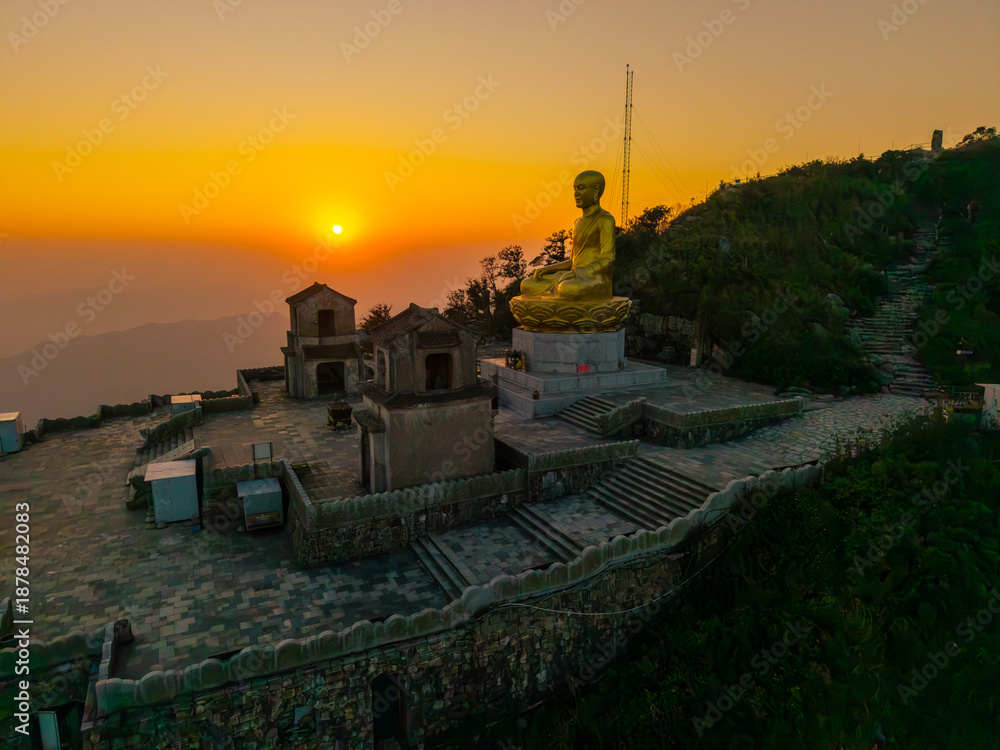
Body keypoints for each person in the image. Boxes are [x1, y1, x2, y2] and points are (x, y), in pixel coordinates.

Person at [519, 170, 616, 301]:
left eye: (581, 188)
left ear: (596, 190)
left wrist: (577, 273)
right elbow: (573, 261)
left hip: (593, 279)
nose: (576, 194)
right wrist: (547, 269)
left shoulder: (605, 220)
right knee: (527, 285)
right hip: (572, 276)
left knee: (566, 288)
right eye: (574, 189)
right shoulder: (577, 222)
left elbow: (608, 260)